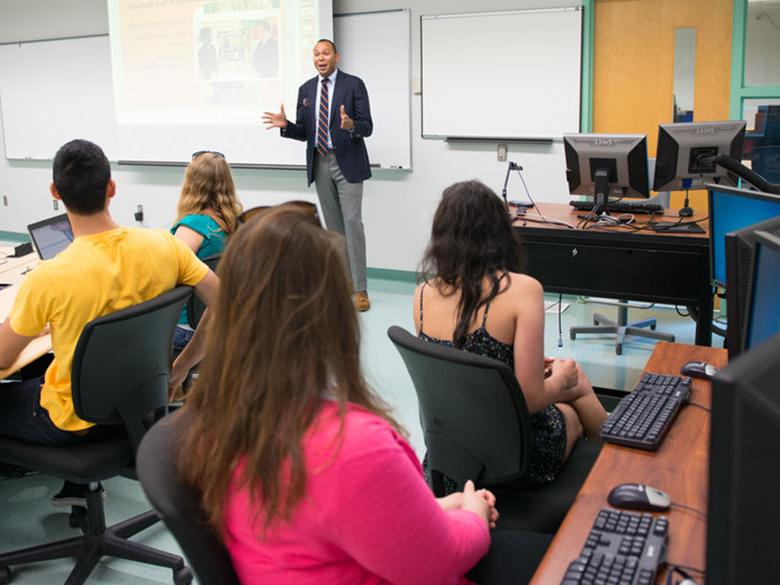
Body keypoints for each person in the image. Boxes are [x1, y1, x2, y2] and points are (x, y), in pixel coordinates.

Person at [177, 206, 526, 584]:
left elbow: (343, 519)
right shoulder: (352, 447)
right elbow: (440, 564)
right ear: (332, 318)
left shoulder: (215, 424)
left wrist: (439, 508)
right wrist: (472, 514)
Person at [0, 139, 218, 506]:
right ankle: (73, 488)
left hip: (71, 421)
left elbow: (4, 359)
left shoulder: (49, 277)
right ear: (112, 188)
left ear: (55, 192)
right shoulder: (166, 246)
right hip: (141, 406)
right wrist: (179, 371)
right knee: (39, 366)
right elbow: (229, 305)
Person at [414, 180, 607, 487]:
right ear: (499, 231)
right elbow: (529, 399)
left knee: (563, 381)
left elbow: (460, 364)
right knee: (576, 380)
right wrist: (563, 378)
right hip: (515, 457)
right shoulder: (523, 291)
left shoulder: (422, 294)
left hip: (451, 454)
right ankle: (621, 466)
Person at [262, 39, 373, 312]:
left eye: (325, 53)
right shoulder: (306, 89)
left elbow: (367, 126)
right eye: (315, 54)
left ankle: (360, 289)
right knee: (333, 229)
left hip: (347, 162)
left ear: (336, 55)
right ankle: (342, 282)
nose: (320, 58)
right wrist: (286, 126)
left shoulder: (354, 84)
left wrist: (351, 125)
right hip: (320, 162)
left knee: (352, 223)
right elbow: (306, 132)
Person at [171, 150, 242, 354]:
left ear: (192, 184)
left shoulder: (193, 226)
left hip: (185, 331)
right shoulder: (233, 225)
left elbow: (167, 274)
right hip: (220, 327)